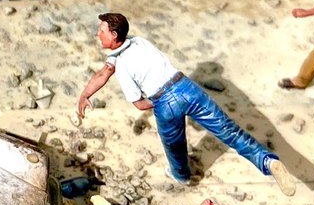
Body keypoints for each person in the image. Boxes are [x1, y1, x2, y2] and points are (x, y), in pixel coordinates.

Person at [77, 12, 296, 194]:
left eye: (101, 31)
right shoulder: (138, 42)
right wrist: (86, 93)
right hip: (187, 87)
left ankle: (181, 175)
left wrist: (160, 103)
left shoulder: (123, 67)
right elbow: (105, 71)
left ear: (114, 35)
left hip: (165, 101)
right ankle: (267, 161)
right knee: (230, 131)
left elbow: (140, 104)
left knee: (174, 145)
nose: (97, 34)